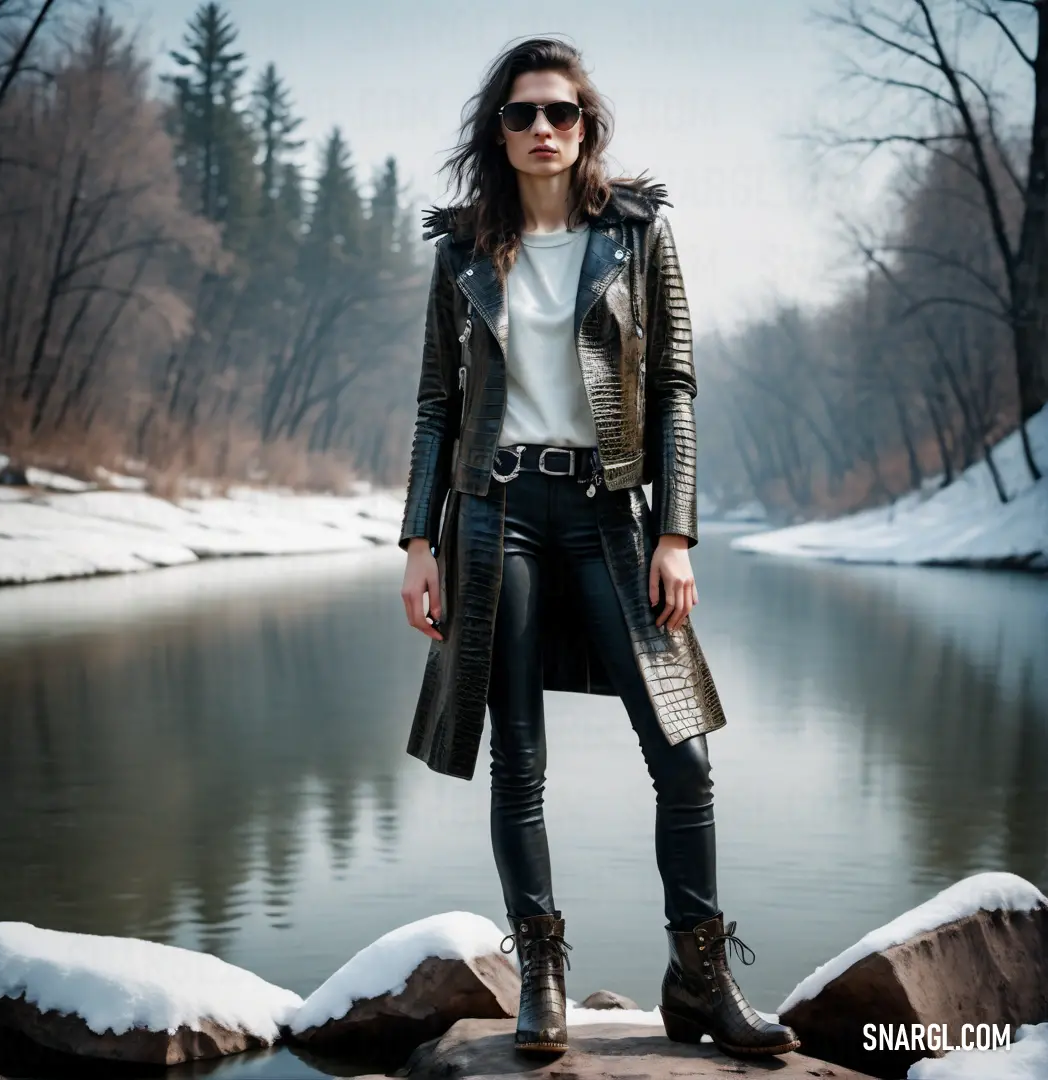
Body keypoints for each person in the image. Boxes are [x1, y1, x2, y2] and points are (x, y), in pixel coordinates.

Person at [398, 37, 799, 1061]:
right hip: (495, 514)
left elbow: (674, 384)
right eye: (524, 114)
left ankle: (697, 980)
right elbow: (437, 406)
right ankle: (542, 975)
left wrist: (676, 530)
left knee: (684, 756)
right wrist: (416, 540)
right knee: (518, 760)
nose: (543, 130)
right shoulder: (460, 249)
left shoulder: (636, 235)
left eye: (562, 113)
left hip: (608, 514)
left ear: (587, 127)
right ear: (500, 131)